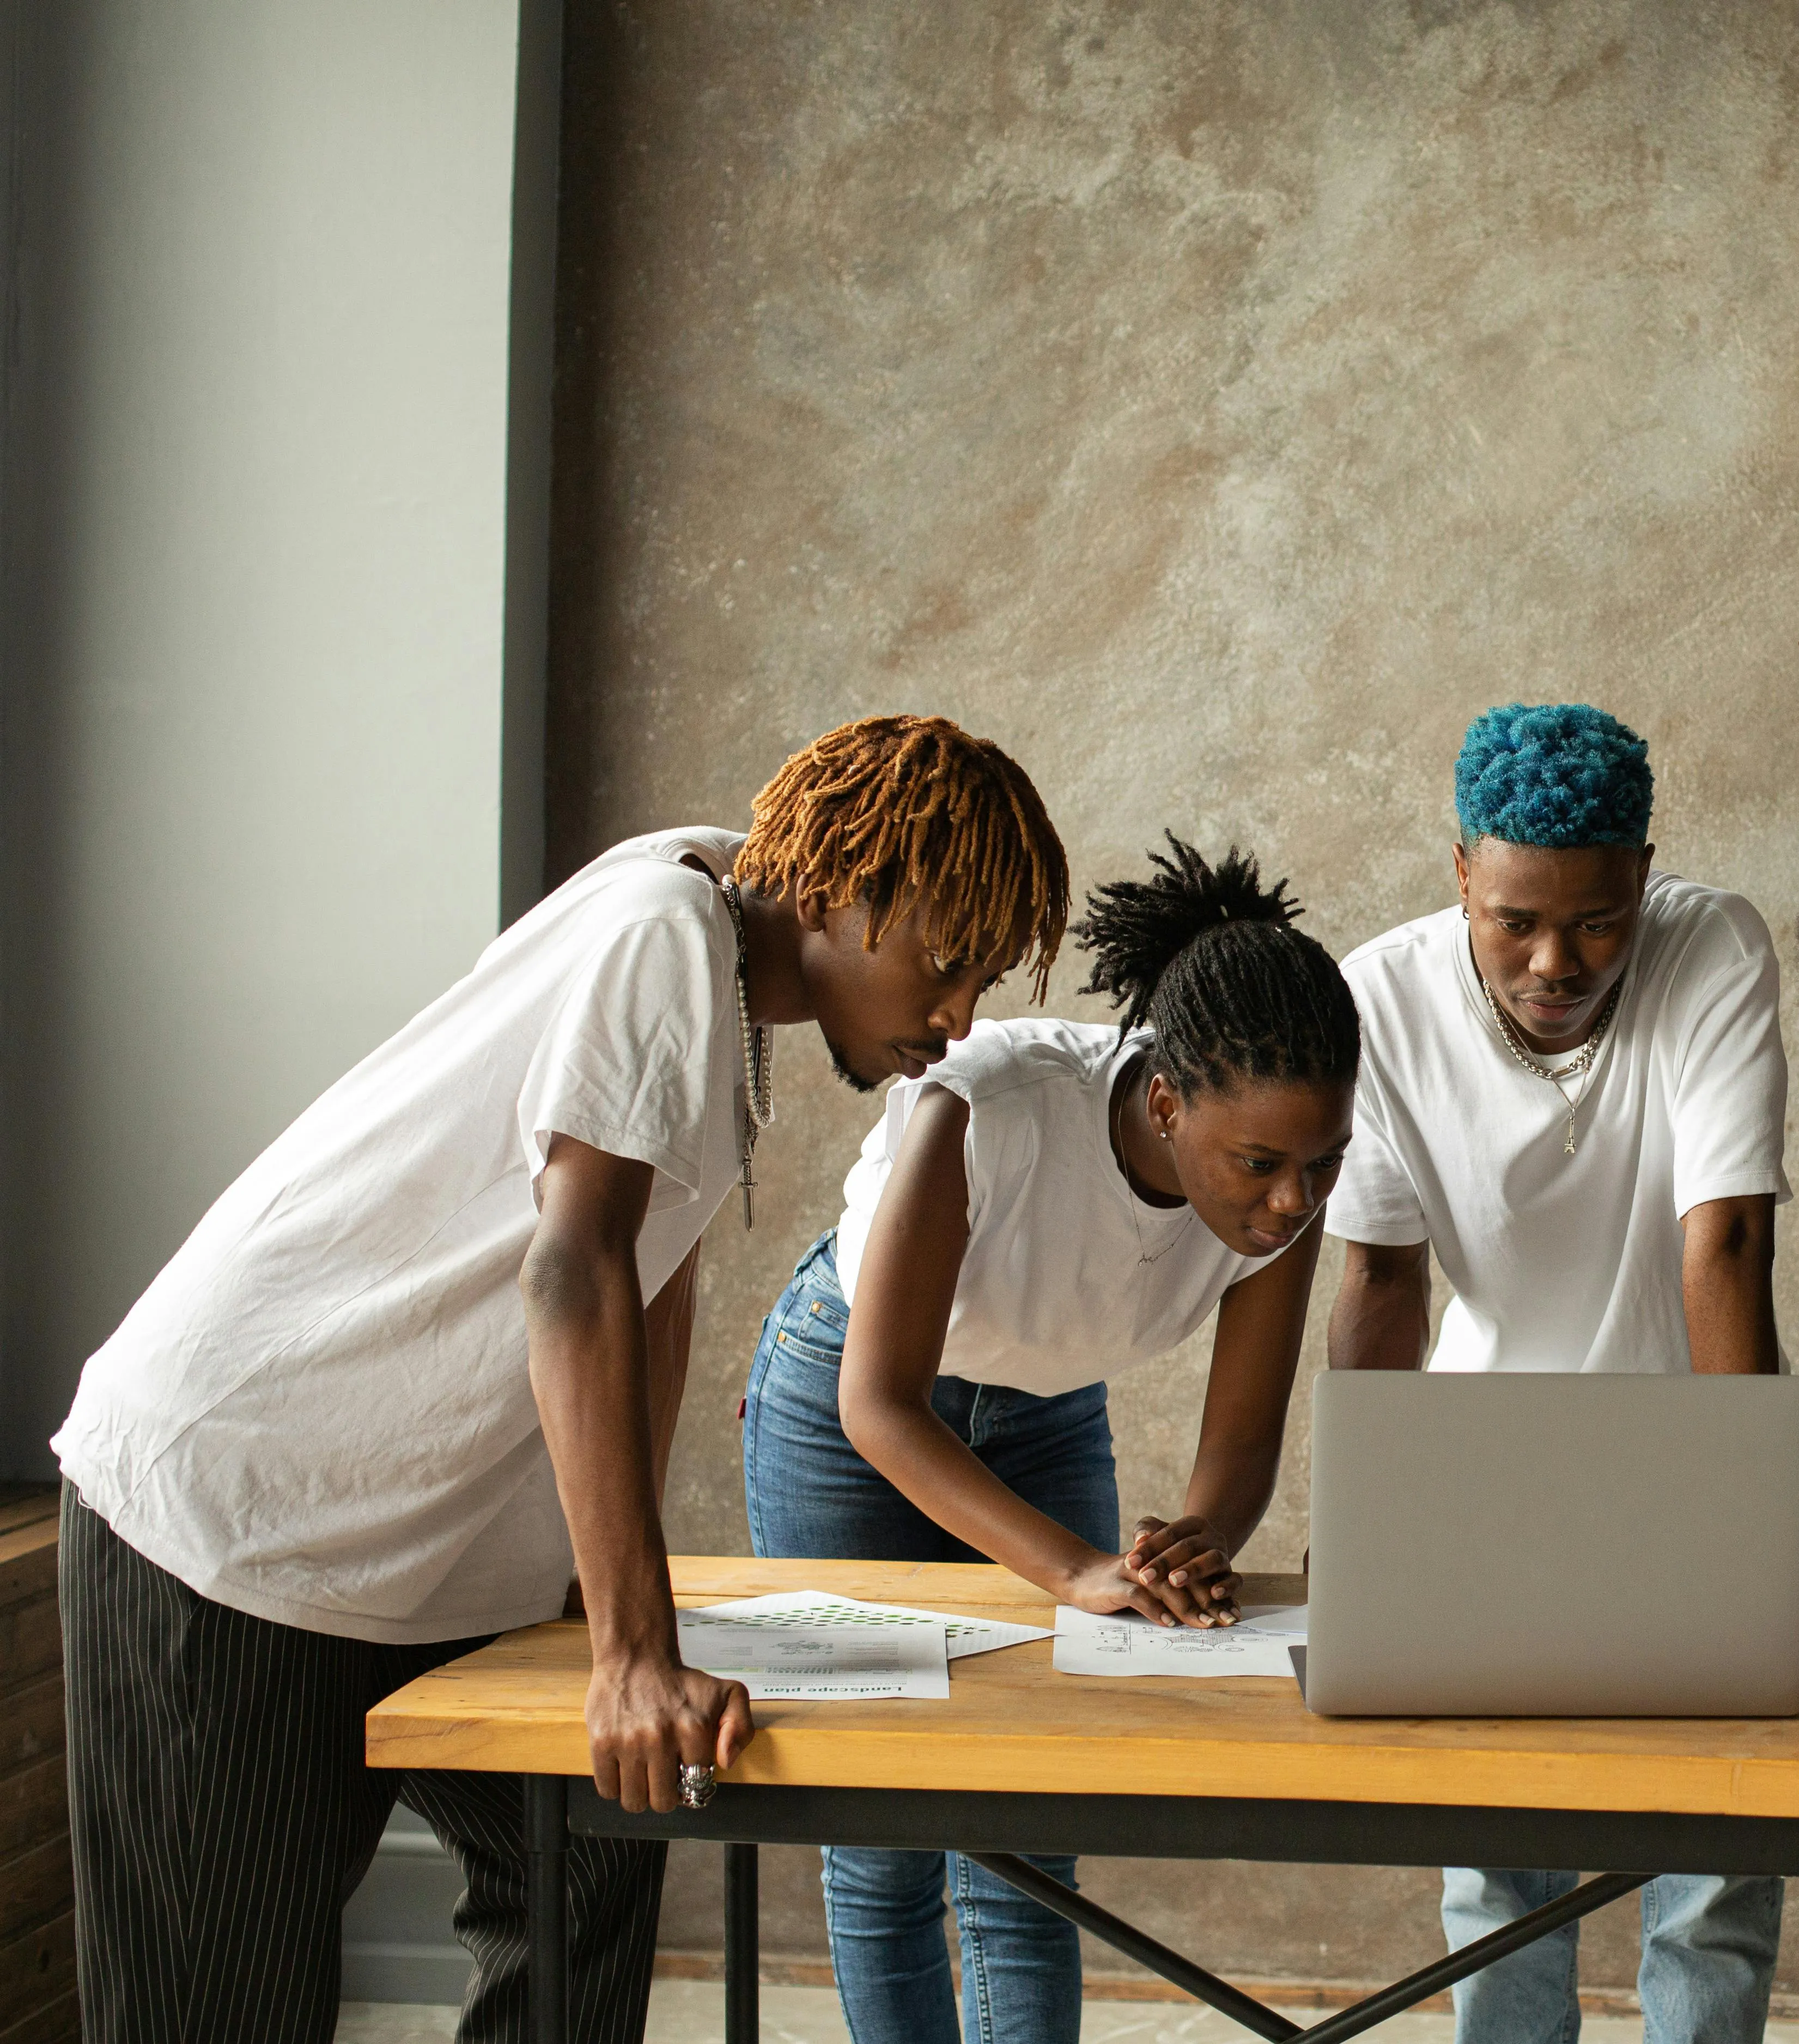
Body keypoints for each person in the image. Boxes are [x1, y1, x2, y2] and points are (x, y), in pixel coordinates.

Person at [51, 714, 1067, 2044]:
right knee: (219, 2011)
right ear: (832, 890)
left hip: (432, 1548)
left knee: (594, 1847)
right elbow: (573, 1267)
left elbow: (648, 1281)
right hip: (236, 1511)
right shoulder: (661, 931)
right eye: (943, 961)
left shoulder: (716, 955)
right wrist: (632, 1654)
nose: (956, 1016)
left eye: (983, 980)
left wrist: (610, 1594)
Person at [746, 834, 1358, 2044]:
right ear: (1170, 1101)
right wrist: (1075, 1570)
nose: (1295, 1200)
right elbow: (880, 1405)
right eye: (1262, 1164)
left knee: (1029, 1825)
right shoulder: (987, 1107)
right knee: (884, 1835)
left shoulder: (1284, 1200)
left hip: (1039, 1408)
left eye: (1322, 1164)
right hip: (849, 1403)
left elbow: (1235, 1453)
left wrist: (1193, 1544)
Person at [1328, 703, 1790, 2044]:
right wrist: (1369, 1524)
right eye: (1514, 919)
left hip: (1687, 1438)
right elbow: (1379, 1279)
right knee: (1498, 1863)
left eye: (1594, 921)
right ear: (1459, 869)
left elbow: (1727, 1237)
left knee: (1709, 1853)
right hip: (1479, 1458)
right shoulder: (1379, 996)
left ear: (1643, 874)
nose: (1554, 960)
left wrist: (1733, 1513)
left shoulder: (1713, 945)